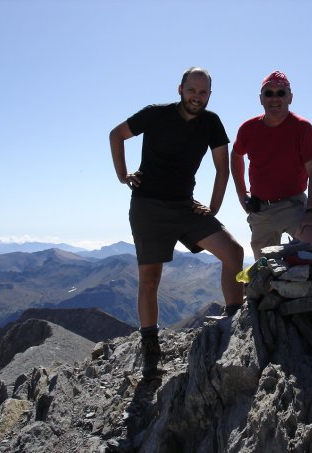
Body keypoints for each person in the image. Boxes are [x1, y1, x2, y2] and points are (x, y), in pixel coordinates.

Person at [109, 67, 244, 379]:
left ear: (209, 95)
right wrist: (123, 176)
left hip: (185, 206)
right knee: (150, 278)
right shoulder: (155, 114)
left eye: (203, 92)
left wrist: (213, 208)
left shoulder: (211, 122)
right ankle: (150, 355)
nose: (197, 97)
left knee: (233, 252)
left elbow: (222, 169)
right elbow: (117, 135)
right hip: (148, 207)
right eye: (192, 90)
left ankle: (235, 322)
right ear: (180, 89)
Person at [231, 70, 312, 260]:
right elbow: (235, 156)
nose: (275, 98)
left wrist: (311, 211)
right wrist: (242, 195)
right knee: (264, 269)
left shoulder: (302, 127)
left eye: (281, 93)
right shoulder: (248, 128)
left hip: (294, 206)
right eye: (269, 93)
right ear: (261, 98)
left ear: (290, 97)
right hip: (261, 210)